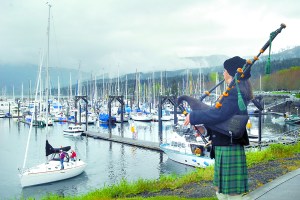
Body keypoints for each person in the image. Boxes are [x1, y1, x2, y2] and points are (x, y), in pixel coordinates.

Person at [183, 56, 253, 200]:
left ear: (231, 73)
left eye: (225, 70)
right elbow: (225, 122)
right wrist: (205, 130)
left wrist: (194, 116)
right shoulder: (235, 91)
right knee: (224, 194)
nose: (223, 73)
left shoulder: (235, 93)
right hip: (226, 145)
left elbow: (218, 114)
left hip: (229, 147)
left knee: (233, 196)